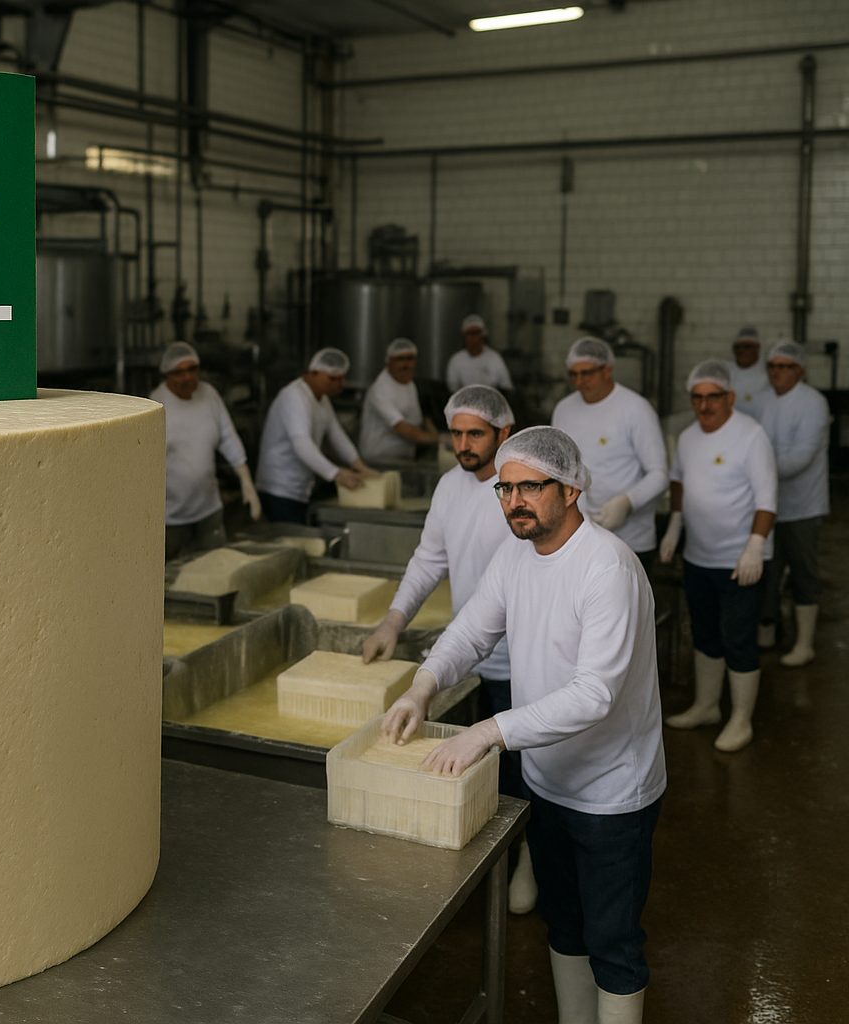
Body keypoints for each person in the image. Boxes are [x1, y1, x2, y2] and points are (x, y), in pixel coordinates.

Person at [381, 426, 664, 1024]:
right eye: (505, 490)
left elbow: (594, 695)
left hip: (612, 792)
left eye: (529, 487)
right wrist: (423, 686)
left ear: (570, 490)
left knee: (612, 940)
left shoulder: (606, 568)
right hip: (547, 782)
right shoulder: (516, 555)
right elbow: (472, 630)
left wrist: (487, 731)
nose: (514, 502)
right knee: (563, 924)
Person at [361, 385, 537, 914]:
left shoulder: (522, 493)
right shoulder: (448, 488)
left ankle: (529, 857)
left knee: (527, 770)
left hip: (526, 662)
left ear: (503, 433)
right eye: (456, 432)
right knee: (483, 773)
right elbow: (428, 561)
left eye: (475, 433)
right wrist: (394, 619)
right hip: (469, 658)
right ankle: (494, 860)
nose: (463, 443)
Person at [660, 360, 777, 752]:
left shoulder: (750, 435)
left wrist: (755, 547)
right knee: (706, 633)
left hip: (740, 561)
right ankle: (707, 705)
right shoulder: (690, 436)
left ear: (729, 397)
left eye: (713, 397)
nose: (705, 405)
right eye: (698, 398)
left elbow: (767, 500)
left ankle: (741, 719)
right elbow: (677, 478)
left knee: (738, 637)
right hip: (699, 557)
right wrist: (676, 523)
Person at [551, 337, 668, 570]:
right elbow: (559, 467)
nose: (579, 381)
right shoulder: (564, 409)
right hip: (578, 535)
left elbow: (659, 474)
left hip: (630, 539)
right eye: (574, 374)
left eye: (587, 373)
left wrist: (627, 503)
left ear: (607, 370)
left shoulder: (635, 409)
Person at [151, 341, 260, 560]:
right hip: (170, 518)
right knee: (170, 580)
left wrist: (246, 482)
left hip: (209, 510)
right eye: (179, 372)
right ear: (167, 375)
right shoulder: (155, 405)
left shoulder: (209, 395)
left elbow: (228, 438)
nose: (187, 378)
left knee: (214, 571)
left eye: (192, 370)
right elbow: (143, 465)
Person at [758, 341, 830, 666]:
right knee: (768, 570)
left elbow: (801, 457)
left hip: (803, 505)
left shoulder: (813, 403)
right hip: (768, 504)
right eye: (773, 366)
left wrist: (755, 471)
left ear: (799, 370)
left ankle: (805, 642)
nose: (777, 373)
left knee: (803, 571)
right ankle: (768, 629)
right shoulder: (765, 401)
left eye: (784, 367)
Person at [255, 348, 375, 524]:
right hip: (279, 488)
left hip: (300, 487)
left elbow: (336, 435)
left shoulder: (322, 399)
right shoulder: (294, 397)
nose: (339, 384)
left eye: (342, 378)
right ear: (313, 373)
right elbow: (302, 444)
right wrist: (337, 474)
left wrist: (360, 466)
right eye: (332, 378)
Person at [359, 337, 440, 463]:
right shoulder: (380, 389)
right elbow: (404, 429)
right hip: (379, 459)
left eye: (410, 358)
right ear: (388, 362)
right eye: (400, 359)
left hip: (403, 454)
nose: (406, 364)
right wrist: (440, 439)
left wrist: (433, 431)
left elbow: (417, 421)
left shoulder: (409, 383)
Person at [445, 313, 514, 392]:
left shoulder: (495, 359)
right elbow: (452, 390)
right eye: (469, 333)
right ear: (464, 336)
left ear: (483, 335)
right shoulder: (456, 360)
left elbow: (507, 387)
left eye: (476, 333)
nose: (473, 337)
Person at [729, 326, 773, 421]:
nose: (741, 350)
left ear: (757, 348)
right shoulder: (726, 372)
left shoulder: (768, 376)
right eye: (738, 347)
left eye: (747, 347)